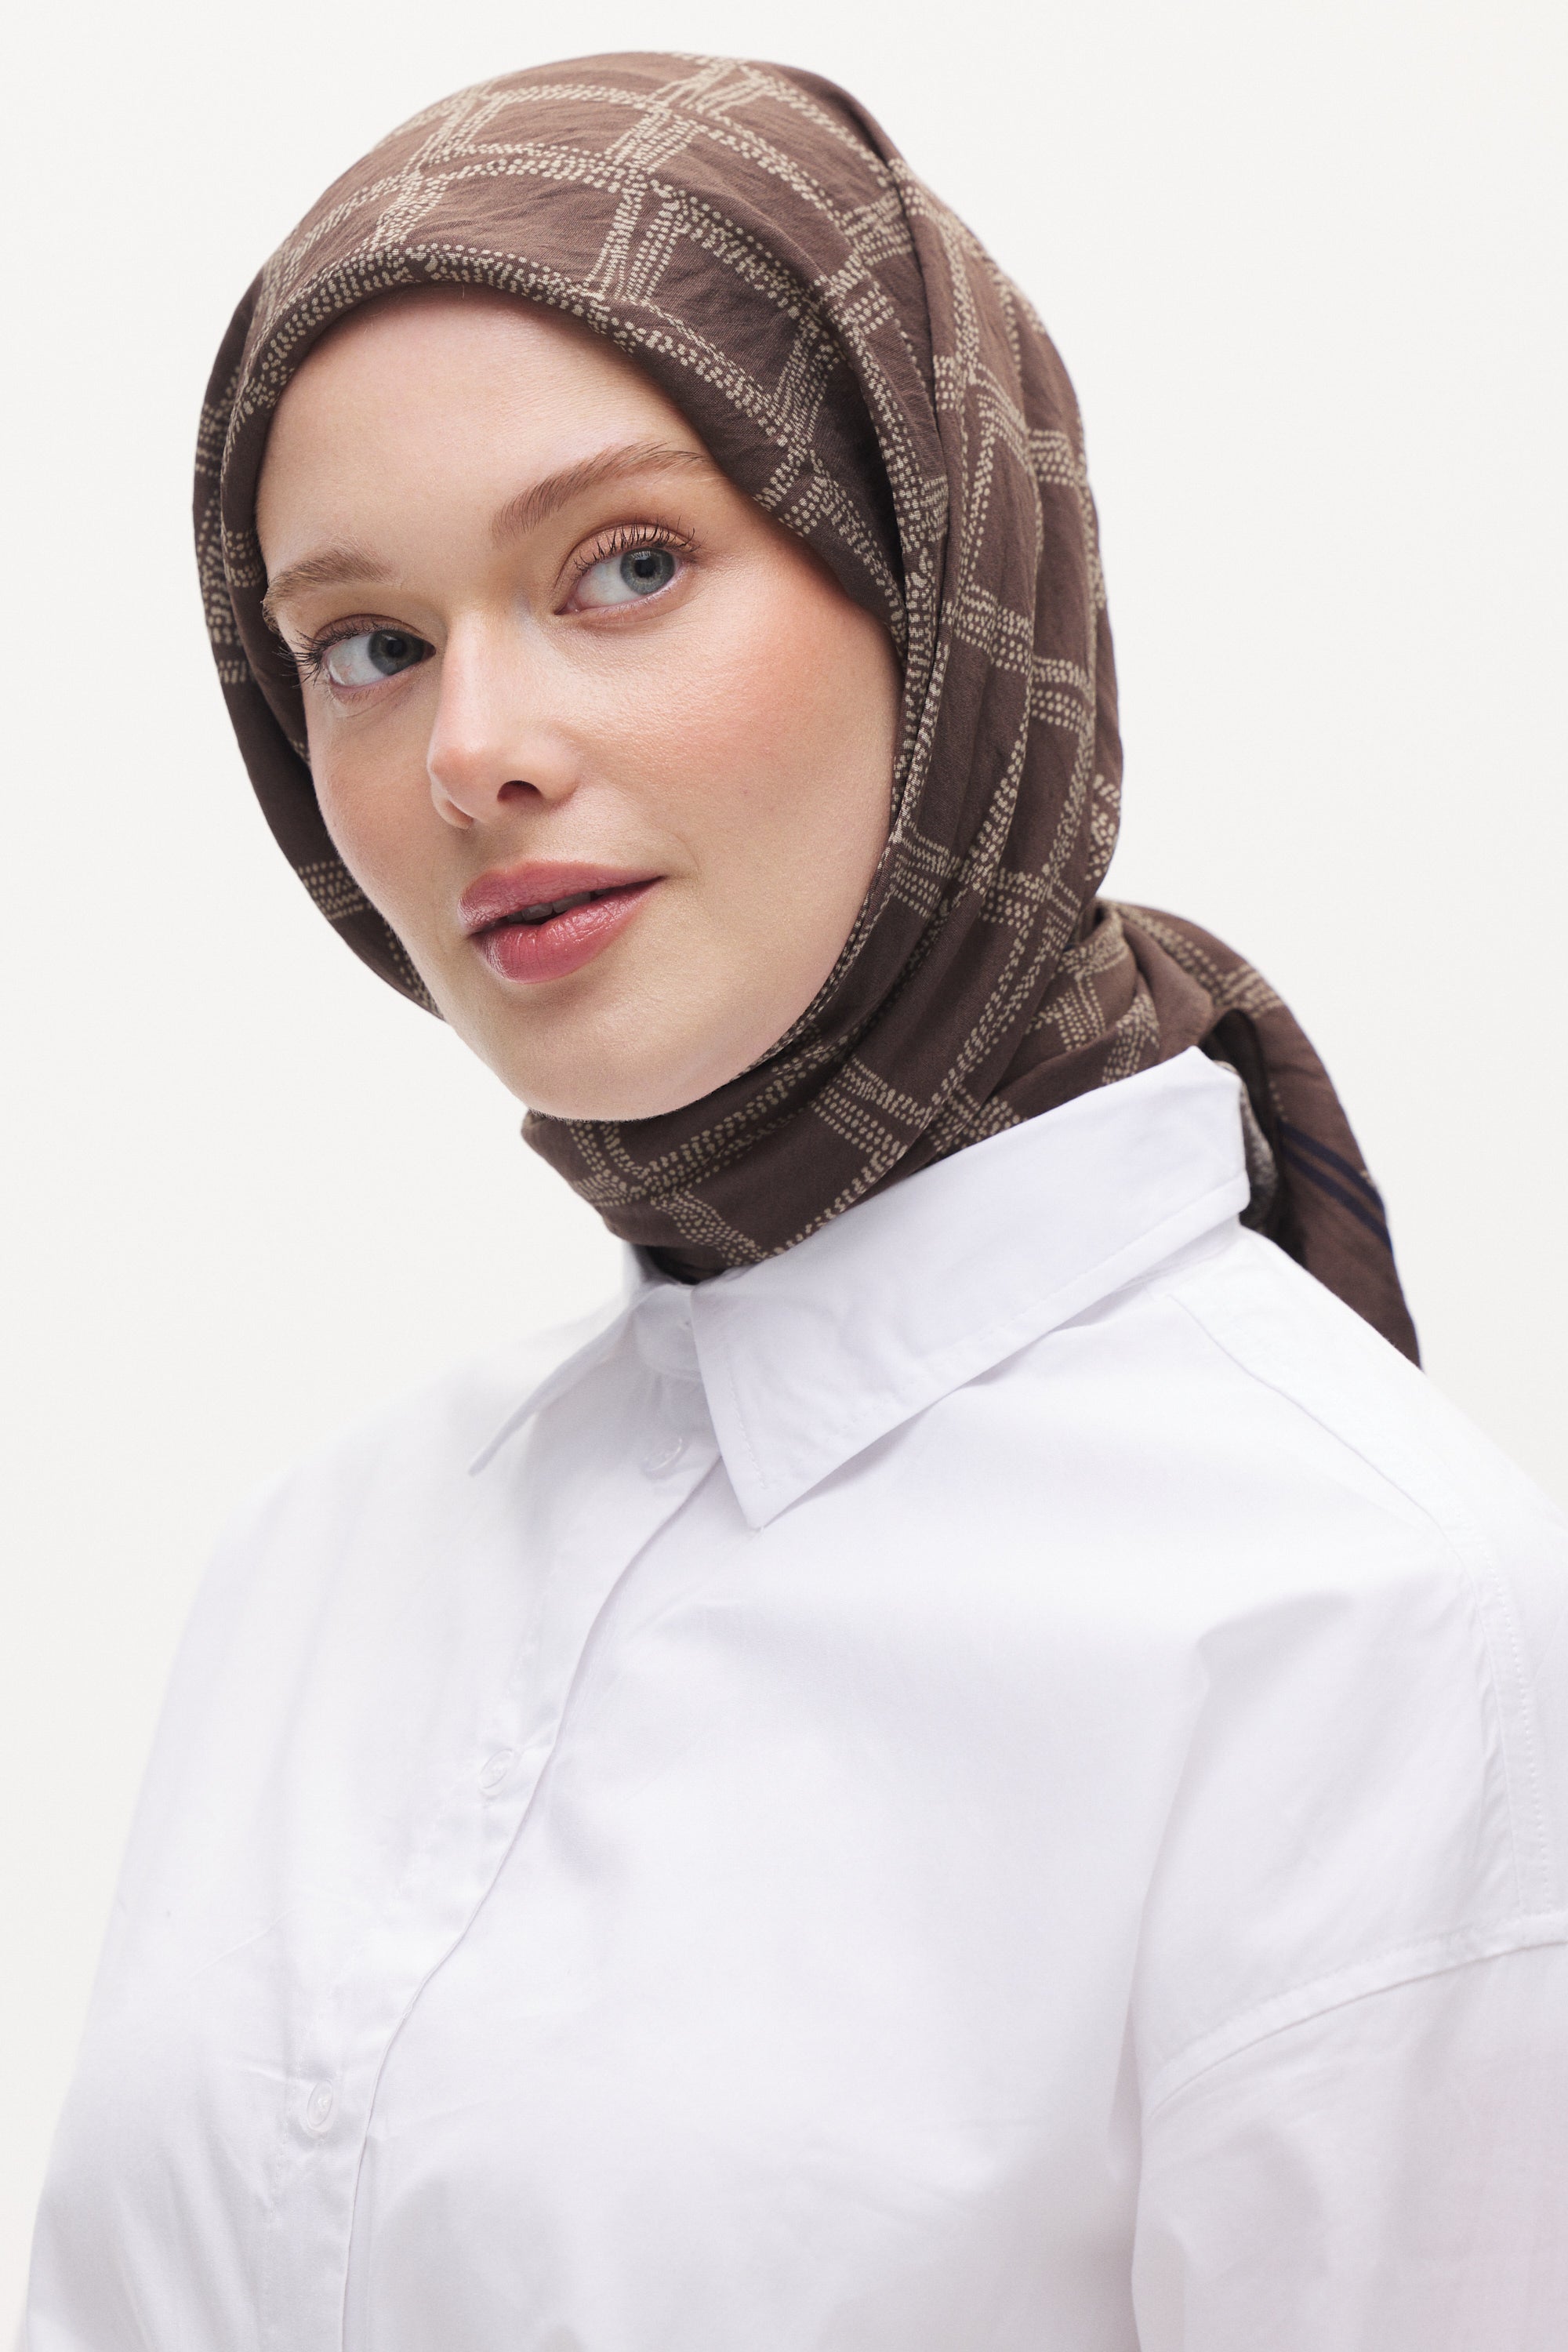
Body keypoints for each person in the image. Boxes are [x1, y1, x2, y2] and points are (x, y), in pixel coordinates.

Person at [26, 51, 1568, 2352]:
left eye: (628, 566)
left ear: (936, 581)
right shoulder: (321, 1569)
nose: (472, 752)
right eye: (368, 645)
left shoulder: (1364, 1630)